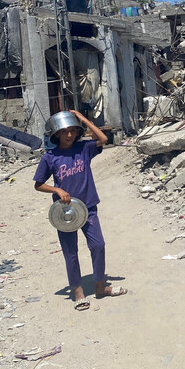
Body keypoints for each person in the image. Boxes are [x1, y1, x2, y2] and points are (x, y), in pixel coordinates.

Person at [33, 110, 127, 311]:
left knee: (98, 245)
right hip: (65, 212)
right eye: (65, 131)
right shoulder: (50, 157)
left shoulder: (84, 148)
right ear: (56, 133)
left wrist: (83, 120)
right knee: (71, 252)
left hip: (88, 207)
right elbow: (38, 184)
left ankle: (100, 286)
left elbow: (102, 138)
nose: (69, 135)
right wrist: (57, 189)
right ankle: (78, 291)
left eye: (73, 131)